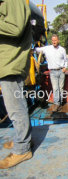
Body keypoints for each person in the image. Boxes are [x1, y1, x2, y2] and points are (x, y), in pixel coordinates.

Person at [0, 0, 32, 168]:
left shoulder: (12, 1)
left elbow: (15, 28)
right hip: (8, 63)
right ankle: (22, 139)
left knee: (15, 109)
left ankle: (23, 149)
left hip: (10, 63)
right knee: (17, 106)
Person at [36, 34, 68, 111]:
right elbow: (36, 50)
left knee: (60, 88)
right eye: (53, 40)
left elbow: (66, 59)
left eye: (55, 40)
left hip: (61, 71)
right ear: (51, 41)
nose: (54, 42)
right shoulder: (47, 48)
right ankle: (56, 104)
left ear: (58, 40)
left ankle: (59, 103)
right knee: (55, 88)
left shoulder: (62, 49)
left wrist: (65, 67)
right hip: (53, 72)